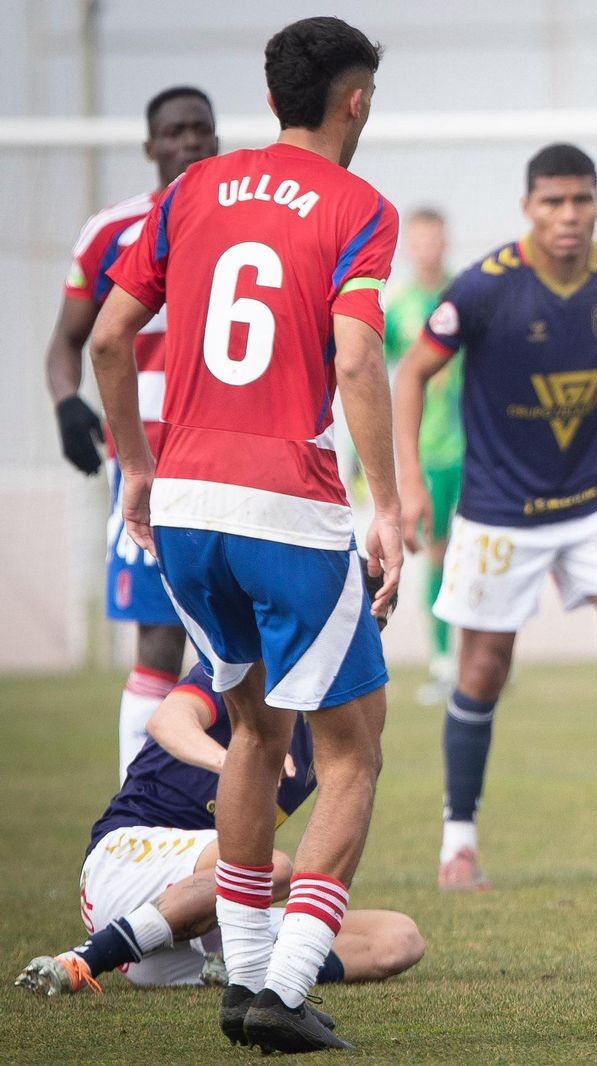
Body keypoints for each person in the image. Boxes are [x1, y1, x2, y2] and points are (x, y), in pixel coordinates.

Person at [87, 16, 401, 1053]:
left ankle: (250, 978)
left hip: (182, 504)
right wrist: (387, 506)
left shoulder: (191, 190)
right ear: (353, 100)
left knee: (257, 737)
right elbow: (357, 361)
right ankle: (286, 981)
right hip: (286, 506)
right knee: (352, 751)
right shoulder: (360, 205)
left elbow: (108, 336)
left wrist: (137, 465)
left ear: (271, 101)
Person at [394, 143, 597, 891]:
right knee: (483, 668)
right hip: (500, 511)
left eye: (582, 200)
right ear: (528, 207)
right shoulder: (483, 289)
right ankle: (458, 844)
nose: (569, 215)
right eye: (553, 202)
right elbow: (410, 375)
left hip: (594, 497)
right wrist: (407, 484)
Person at [13, 661, 425, 998]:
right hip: (122, 865)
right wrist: (234, 764)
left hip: (180, 938)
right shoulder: (248, 666)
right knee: (272, 868)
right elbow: (167, 721)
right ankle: (85, 958)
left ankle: (247, 971)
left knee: (398, 939)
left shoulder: (333, 732)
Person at [44, 86, 219, 781]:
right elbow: (68, 342)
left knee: (234, 641)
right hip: (146, 466)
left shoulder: (241, 223)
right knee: (158, 638)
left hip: (228, 459)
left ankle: (216, 812)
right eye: (174, 132)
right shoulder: (111, 231)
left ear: (217, 138)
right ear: (151, 147)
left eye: (200, 129)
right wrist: (65, 405)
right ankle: (130, 814)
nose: (188, 142)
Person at [382, 207, 463, 703]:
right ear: (410, 247)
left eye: (436, 238)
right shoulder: (397, 306)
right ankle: (442, 661)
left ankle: (479, 655)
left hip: (475, 446)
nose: (429, 247)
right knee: (434, 553)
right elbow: (371, 372)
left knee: (475, 552)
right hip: (428, 452)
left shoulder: (467, 294)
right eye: (420, 240)